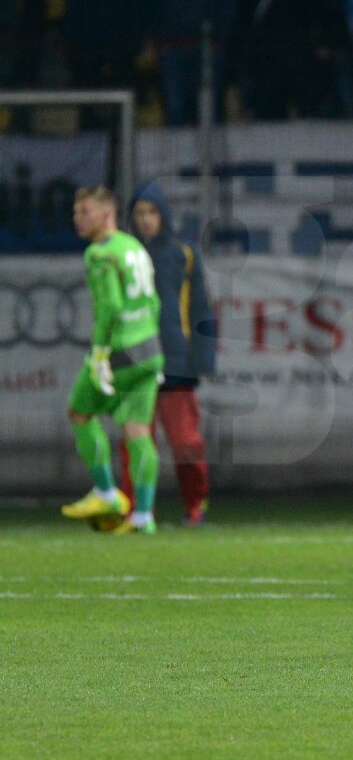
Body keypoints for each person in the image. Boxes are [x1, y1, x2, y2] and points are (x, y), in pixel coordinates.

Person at [61, 186, 164, 536]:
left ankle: (106, 492)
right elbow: (154, 301)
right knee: (138, 432)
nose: (78, 219)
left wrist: (100, 354)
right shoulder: (134, 247)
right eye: (76, 212)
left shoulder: (99, 253)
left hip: (120, 350)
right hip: (150, 348)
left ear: (107, 214)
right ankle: (143, 517)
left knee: (78, 411)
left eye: (85, 212)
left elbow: (110, 308)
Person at [118, 183, 217, 527]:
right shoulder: (123, 256)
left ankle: (195, 506)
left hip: (176, 361)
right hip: (135, 362)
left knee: (186, 442)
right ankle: (136, 510)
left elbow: (201, 309)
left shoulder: (183, 254)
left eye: (152, 213)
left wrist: (204, 358)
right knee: (134, 441)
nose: (146, 220)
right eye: (140, 214)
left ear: (164, 216)